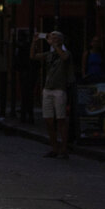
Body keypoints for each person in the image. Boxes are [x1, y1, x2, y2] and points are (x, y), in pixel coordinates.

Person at [38, 29, 75, 160]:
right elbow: (33, 56)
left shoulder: (65, 53)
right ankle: (54, 147)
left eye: (54, 38)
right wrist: (34, 42)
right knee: (48, 120)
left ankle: (64, 148)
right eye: (51, 37)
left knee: (61, 119)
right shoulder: (50, 54)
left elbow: (64, 57)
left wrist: (56, 46)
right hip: (48, 88)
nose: (52, 39)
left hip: (60, 89)